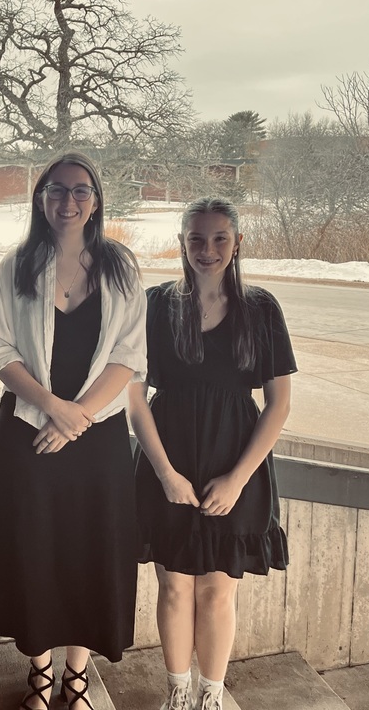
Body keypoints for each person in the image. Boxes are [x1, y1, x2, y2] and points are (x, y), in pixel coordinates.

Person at [0, 152, 147, 710]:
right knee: (36, 551)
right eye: (56, 190)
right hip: (30, 430)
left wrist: (79, 418)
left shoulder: (120, 266)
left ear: (96, 199)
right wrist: (53, 406)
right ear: (40, 198)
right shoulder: (18, 264)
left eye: (80, 190)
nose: (67, 201)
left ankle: (77, 677)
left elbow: (129, 355)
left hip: (96, 442)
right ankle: (40, 672)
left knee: (87, 553)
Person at [128, 198, 294, 710]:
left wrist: (238, 479)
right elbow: (133, 396)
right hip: (167, 461)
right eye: (196, 239)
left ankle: (211, 696)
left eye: (220, 238)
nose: (207, 249)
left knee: (218, 593)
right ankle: (178, 692)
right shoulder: (155, 305)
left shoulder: (261, 309)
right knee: (175, 589)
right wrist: (165, 474)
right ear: (181, 242)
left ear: (237, 242)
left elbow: (279, 404)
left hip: (235, 463)